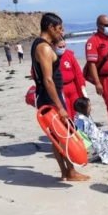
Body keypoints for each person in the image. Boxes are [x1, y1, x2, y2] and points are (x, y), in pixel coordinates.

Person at [32, 12, 89, 181]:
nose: (61, 32)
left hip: (50, 97)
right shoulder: (43, 47)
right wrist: (61, 107)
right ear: (50, 27)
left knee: (56, 137)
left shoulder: (41, 45)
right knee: (64, 135)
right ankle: (70, 172)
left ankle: (65, 172)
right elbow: (48, 80)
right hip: (50, 99)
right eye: (59, 28)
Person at [54, 38, 87, 119]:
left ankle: (78, 128)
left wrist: (82, 85)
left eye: (64, 46)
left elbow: (77, 71)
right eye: (60, 47)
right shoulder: (50, 56)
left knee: (76, 109)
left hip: (72, 87)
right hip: (60, 88)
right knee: (66, 111)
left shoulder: (69, 55)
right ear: (54, 45)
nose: (62, 49)